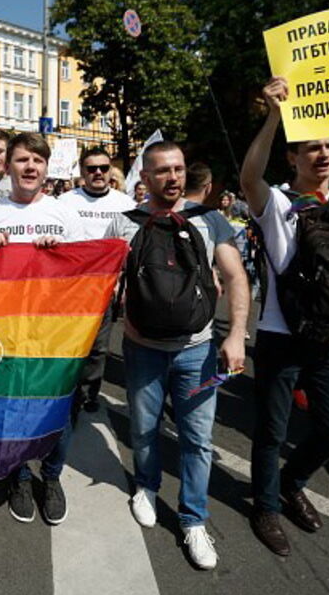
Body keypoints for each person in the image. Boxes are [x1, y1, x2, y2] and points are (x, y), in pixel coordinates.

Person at [239, 77, 329, 556]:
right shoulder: (277, 204)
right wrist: (274, 116)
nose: (324, 154)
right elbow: (249, 178)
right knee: (271, 433)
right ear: (293, 157)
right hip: (282, 336)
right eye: (312, 147)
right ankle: (266, 507)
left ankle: (292, 484)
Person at [106, 141, 248, 569]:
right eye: (163, 171)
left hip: (197, 350)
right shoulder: (124, 223)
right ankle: (146, 487)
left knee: (197, 441)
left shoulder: (209, 220)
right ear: (144, 178)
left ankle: (193, 519)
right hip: (143, 349)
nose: (173, 178)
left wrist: (237, 334)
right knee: (145, 429)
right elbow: (102, 280)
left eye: (179, 169)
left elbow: (236, 274)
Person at [0, 132, 84, 526]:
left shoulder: (64, 215)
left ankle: (51, 477)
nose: (30, 167)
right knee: (11, 409)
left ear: (46, 168)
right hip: (5, 334)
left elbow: (87, 276)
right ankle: (18, 475)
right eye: (22, 160)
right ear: (9, 166)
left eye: (38, 160)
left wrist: (63, 255)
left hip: (55, 336)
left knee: (59, 410)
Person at [58, 147, 135, 413]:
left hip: (107, 289)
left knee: (99, 348)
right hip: (71, 290)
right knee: (70, 345)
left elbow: (131, 248)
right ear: (83, 172)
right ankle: (67, 392)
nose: (98, 173)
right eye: (92, 169)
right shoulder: (65, 202)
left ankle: (90, 394)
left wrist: (122, 282)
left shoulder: (125, 204)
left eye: (104, 168)